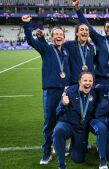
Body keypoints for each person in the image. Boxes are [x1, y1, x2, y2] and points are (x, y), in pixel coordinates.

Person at [22, 15, 70, 165]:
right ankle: (46, 153)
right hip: (50, 91)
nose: (59, 36)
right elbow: (30, 41)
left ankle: (59, 147)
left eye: (61, 35)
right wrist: (26, 24)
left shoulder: (66, 51)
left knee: (63, 121)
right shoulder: (47, 49)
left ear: (64, 37)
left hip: (65, 91)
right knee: (49, 122)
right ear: (52, 37)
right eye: (56, 34)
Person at [73, 0, 109, 85]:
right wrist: (78, 9)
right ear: (104, 29)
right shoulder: (98, 39)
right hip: (100, 78)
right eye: (107, 27)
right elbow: (87, 25)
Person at [53, 71, 96, 169]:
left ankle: (73, 146)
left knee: (79, 159)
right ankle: (61, 165)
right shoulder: (70, 92)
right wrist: (63, 104)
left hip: (80, 129)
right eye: (85, 80)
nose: (88, 83)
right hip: (67, 124)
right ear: (79, 82)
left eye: (90, 81)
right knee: (58, 130)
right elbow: (57, 112)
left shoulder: (94, 93)